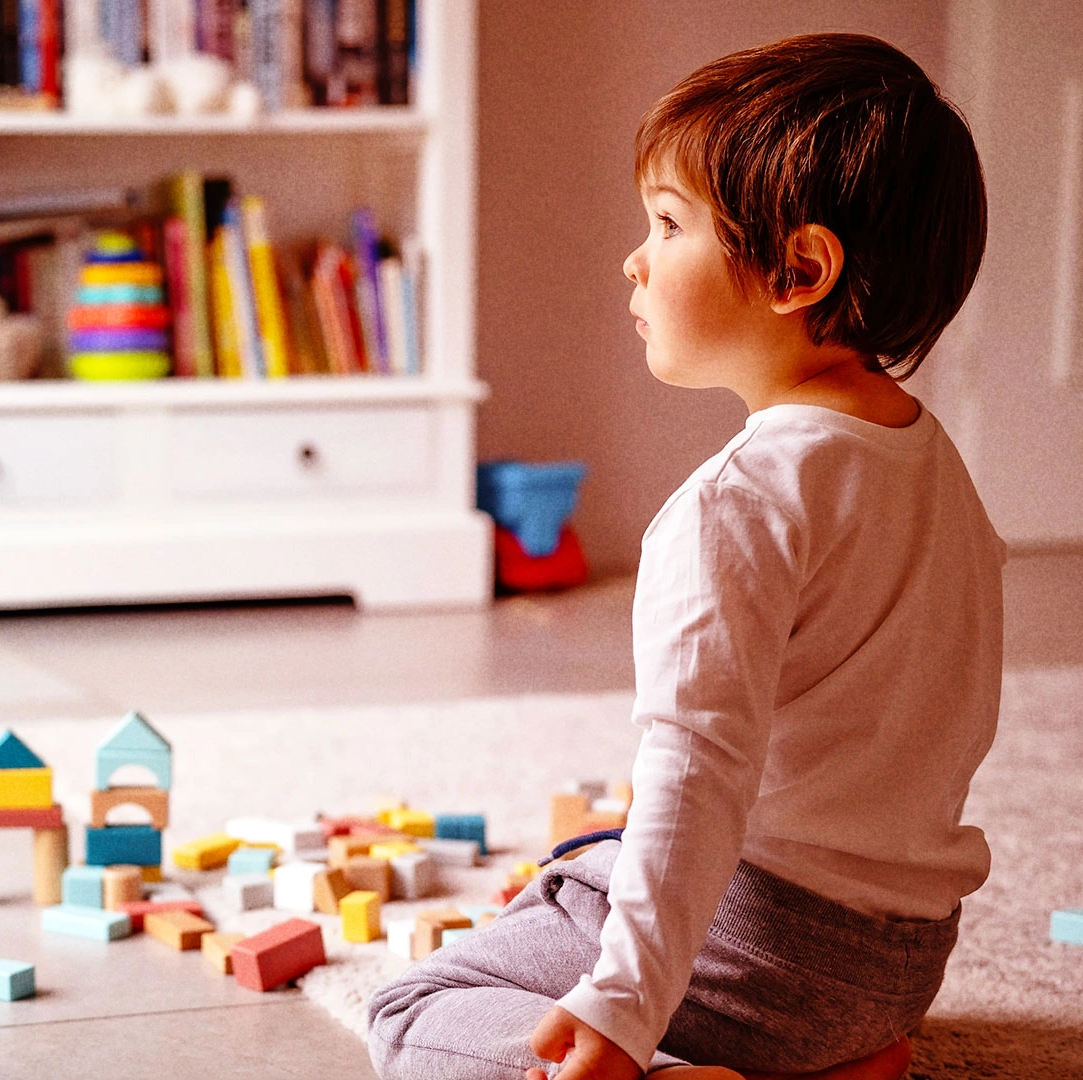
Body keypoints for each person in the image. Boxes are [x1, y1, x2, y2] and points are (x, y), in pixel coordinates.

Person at [368, 32, 1003, 1080]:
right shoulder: (936, 470)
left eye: (668, 225)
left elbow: (694, 773)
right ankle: (835, 1058)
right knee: (583, 878)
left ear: (799, 269)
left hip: (758, 948)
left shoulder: (735, 505)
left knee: (417, 1005)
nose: (635, 257)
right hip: (897, 962)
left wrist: (622, 1007)